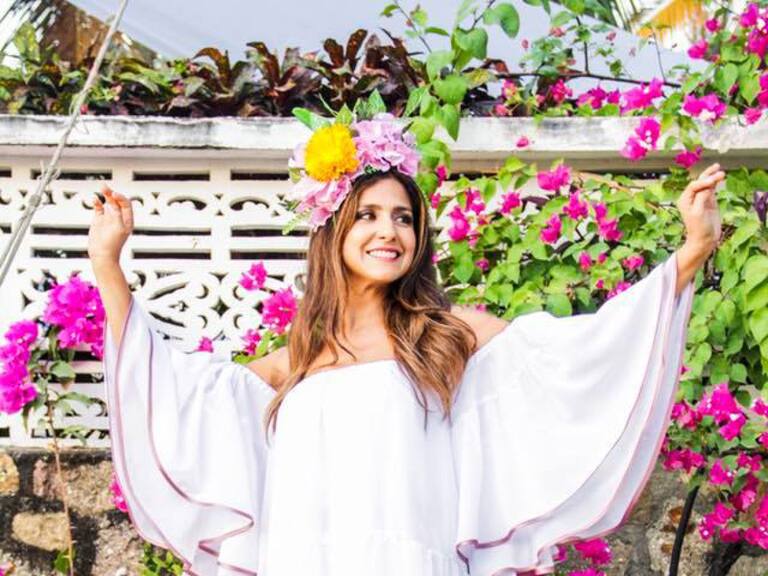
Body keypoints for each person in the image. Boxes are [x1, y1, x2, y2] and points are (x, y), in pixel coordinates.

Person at [88, 114, 723, 576]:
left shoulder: (449, 334)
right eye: (367, 215)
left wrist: (691, 252)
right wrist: (108, 265)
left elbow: (576, 355)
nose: (388, 231)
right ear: (333, 230)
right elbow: (181, 392)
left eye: (403, 217)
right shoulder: (298, 360)